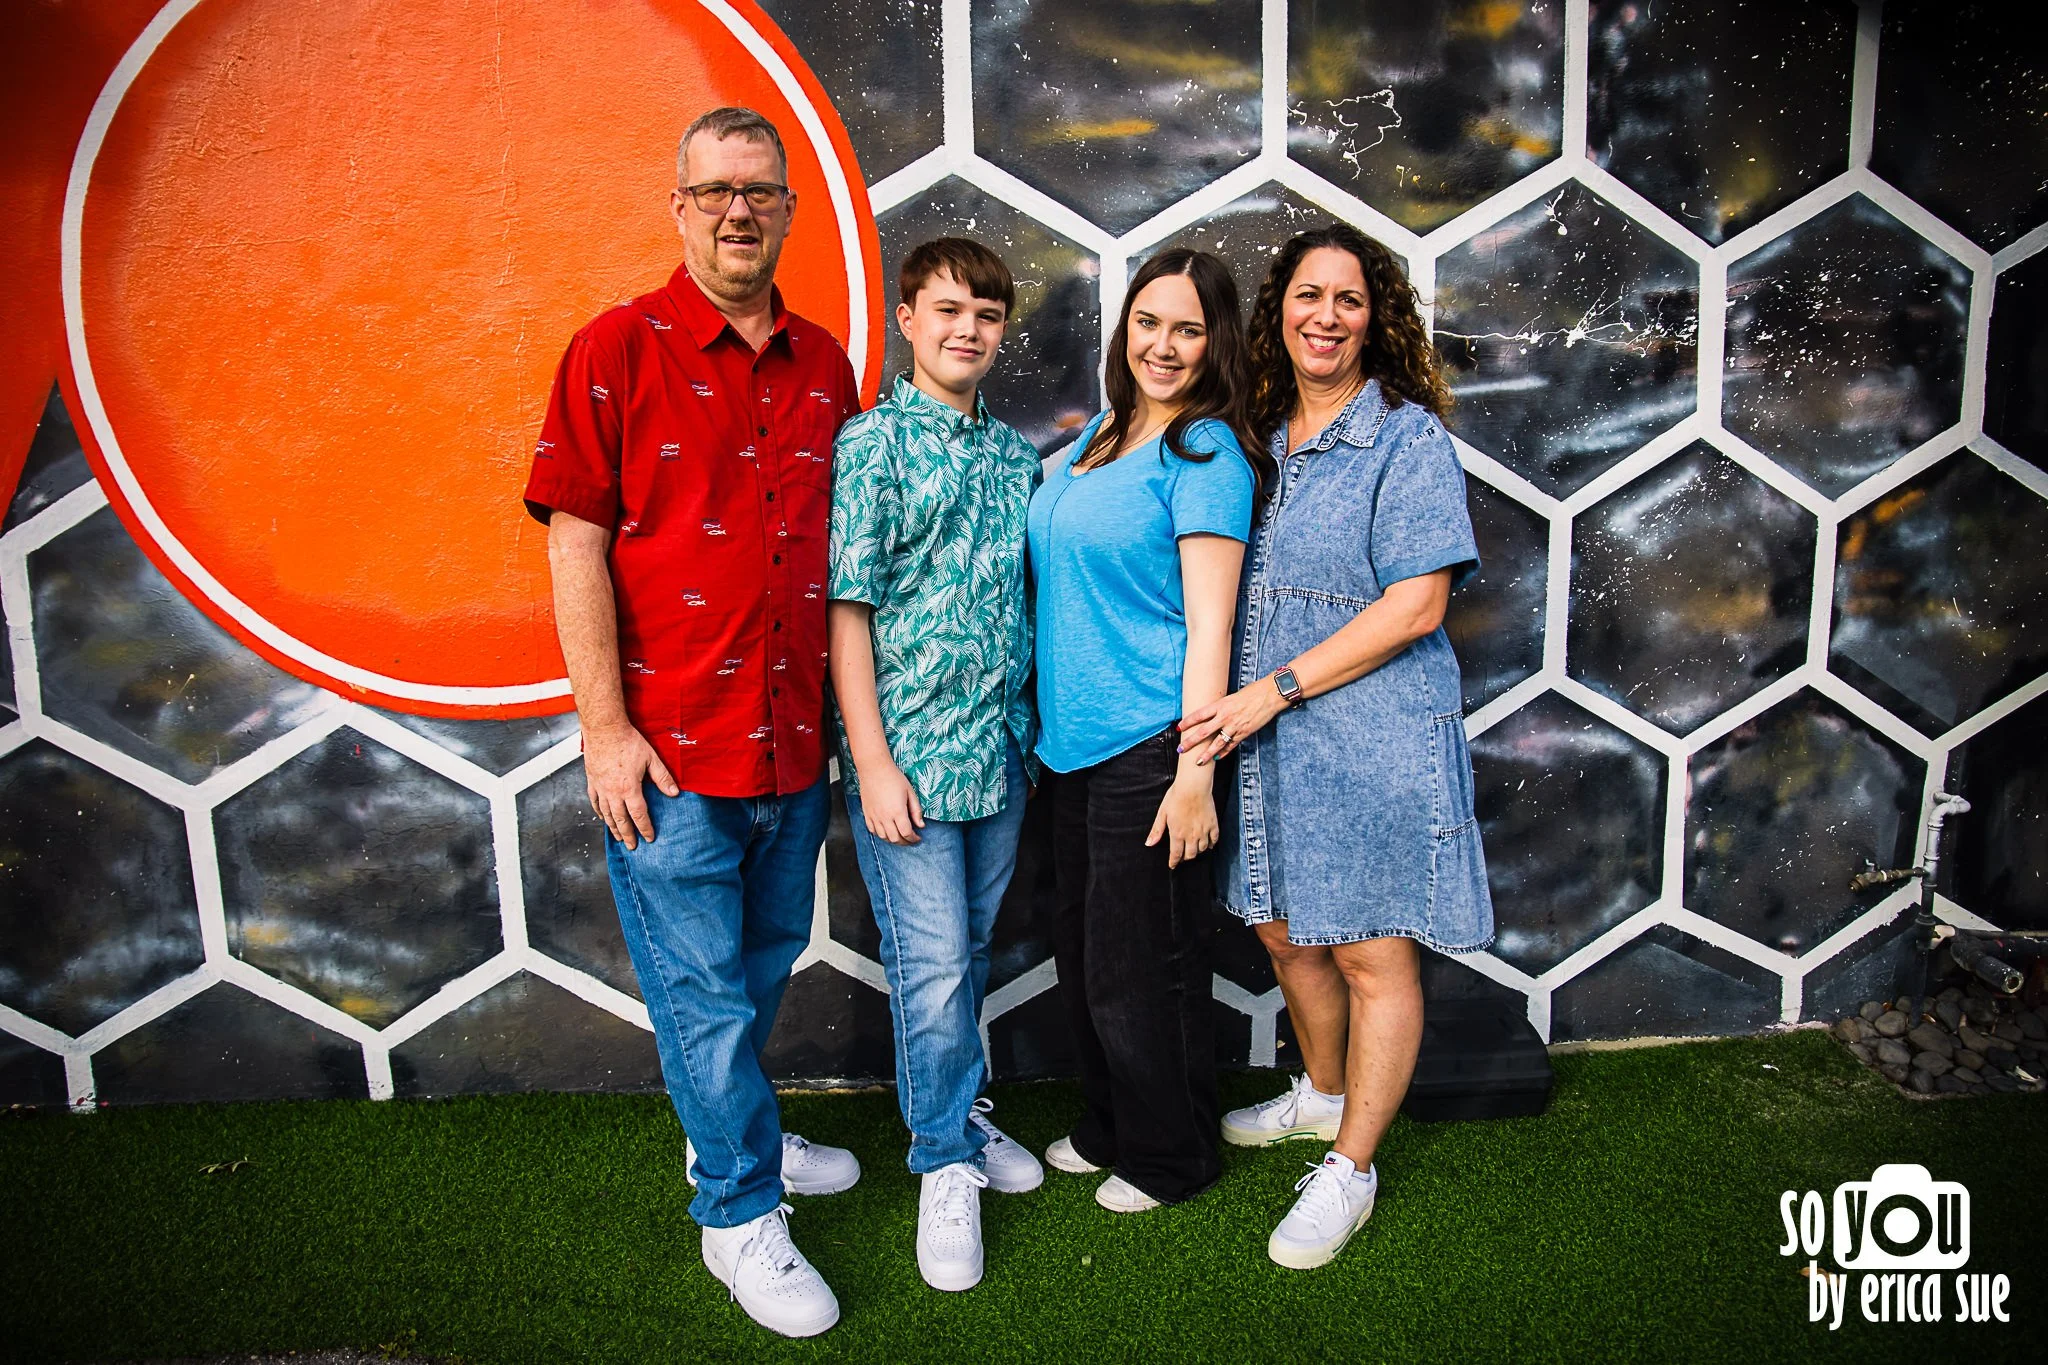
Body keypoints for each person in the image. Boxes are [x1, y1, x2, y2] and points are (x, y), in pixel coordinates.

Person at [522, 106, 861, 1338]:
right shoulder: (614, 349)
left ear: (787, 212)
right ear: (679, 208)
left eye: (759, 192)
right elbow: (575, 545)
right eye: (714, 190)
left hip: (791, 743)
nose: (737, 211)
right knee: (703, 998)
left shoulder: (826, 366)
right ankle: (736, 1212)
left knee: (756, 973)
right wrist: (602, 729)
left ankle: (733, 1134)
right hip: (666, 754)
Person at [1179, 222, 1493, 1271]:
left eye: (1348, 300)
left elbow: (1416, 606)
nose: (1325, 316)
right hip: (1269, 745)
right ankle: (1321, 1093)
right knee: (1284, 936)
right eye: (1307, 296)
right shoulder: (1253, 435)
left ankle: (1351, 1167)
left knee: (1369, 951)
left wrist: (1271, 690)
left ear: (1375, 319)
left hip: (1371, 736)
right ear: (1279, 311)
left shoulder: (1404, 439)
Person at [1027, 248, 1269, 1214]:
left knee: (1143, 969)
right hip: (1069, 746)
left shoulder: (1204, 455)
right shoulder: (1104, 433)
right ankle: (1111, 1123)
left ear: (1216, 344)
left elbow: (1212, 625)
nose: (1164, 346)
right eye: (1149, 323)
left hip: (1150, 744)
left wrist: (1194, 770)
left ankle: (1172, 1156)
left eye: (1188, 330)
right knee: (1086, 957)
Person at [826, 238, 1045, 1292]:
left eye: (987, 314)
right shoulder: (871, 445)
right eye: (948, 310)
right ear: (908, 319)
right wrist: (870, 762)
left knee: (970, 948)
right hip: (907, 758)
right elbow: (847, 613)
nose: (968, 329)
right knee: (934, 968)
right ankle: (942, 1161)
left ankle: (957, 1106)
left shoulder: (1016, 459)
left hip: (998, 751)